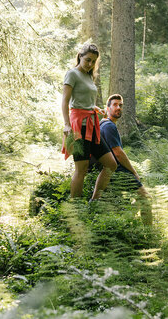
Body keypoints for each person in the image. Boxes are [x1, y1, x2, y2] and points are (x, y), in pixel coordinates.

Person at [61, 43, 118, 201]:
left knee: (111, 164)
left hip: (92, 126)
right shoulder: (72, 74)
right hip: (79, 127)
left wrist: (94, 108)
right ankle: (76, 209)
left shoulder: (88, 75)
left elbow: (83, 98)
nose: (90, 64)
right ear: (80, 56)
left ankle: (94, 200)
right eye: (87, 60)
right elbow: (66, 101)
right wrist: (66, 124)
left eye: (93, 61)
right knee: (81, 169)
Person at [92, 94, 152, 225]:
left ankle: (128, 219)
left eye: (120, 105)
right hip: (118, 172)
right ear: (107, 108)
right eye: (115, 105)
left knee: (139, 199)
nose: (118, 107)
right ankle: (150, 233)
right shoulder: (108, 126)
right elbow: (118, 153)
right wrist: (134, 172)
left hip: (109, 171)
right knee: (146, 198)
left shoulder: (103, 124)